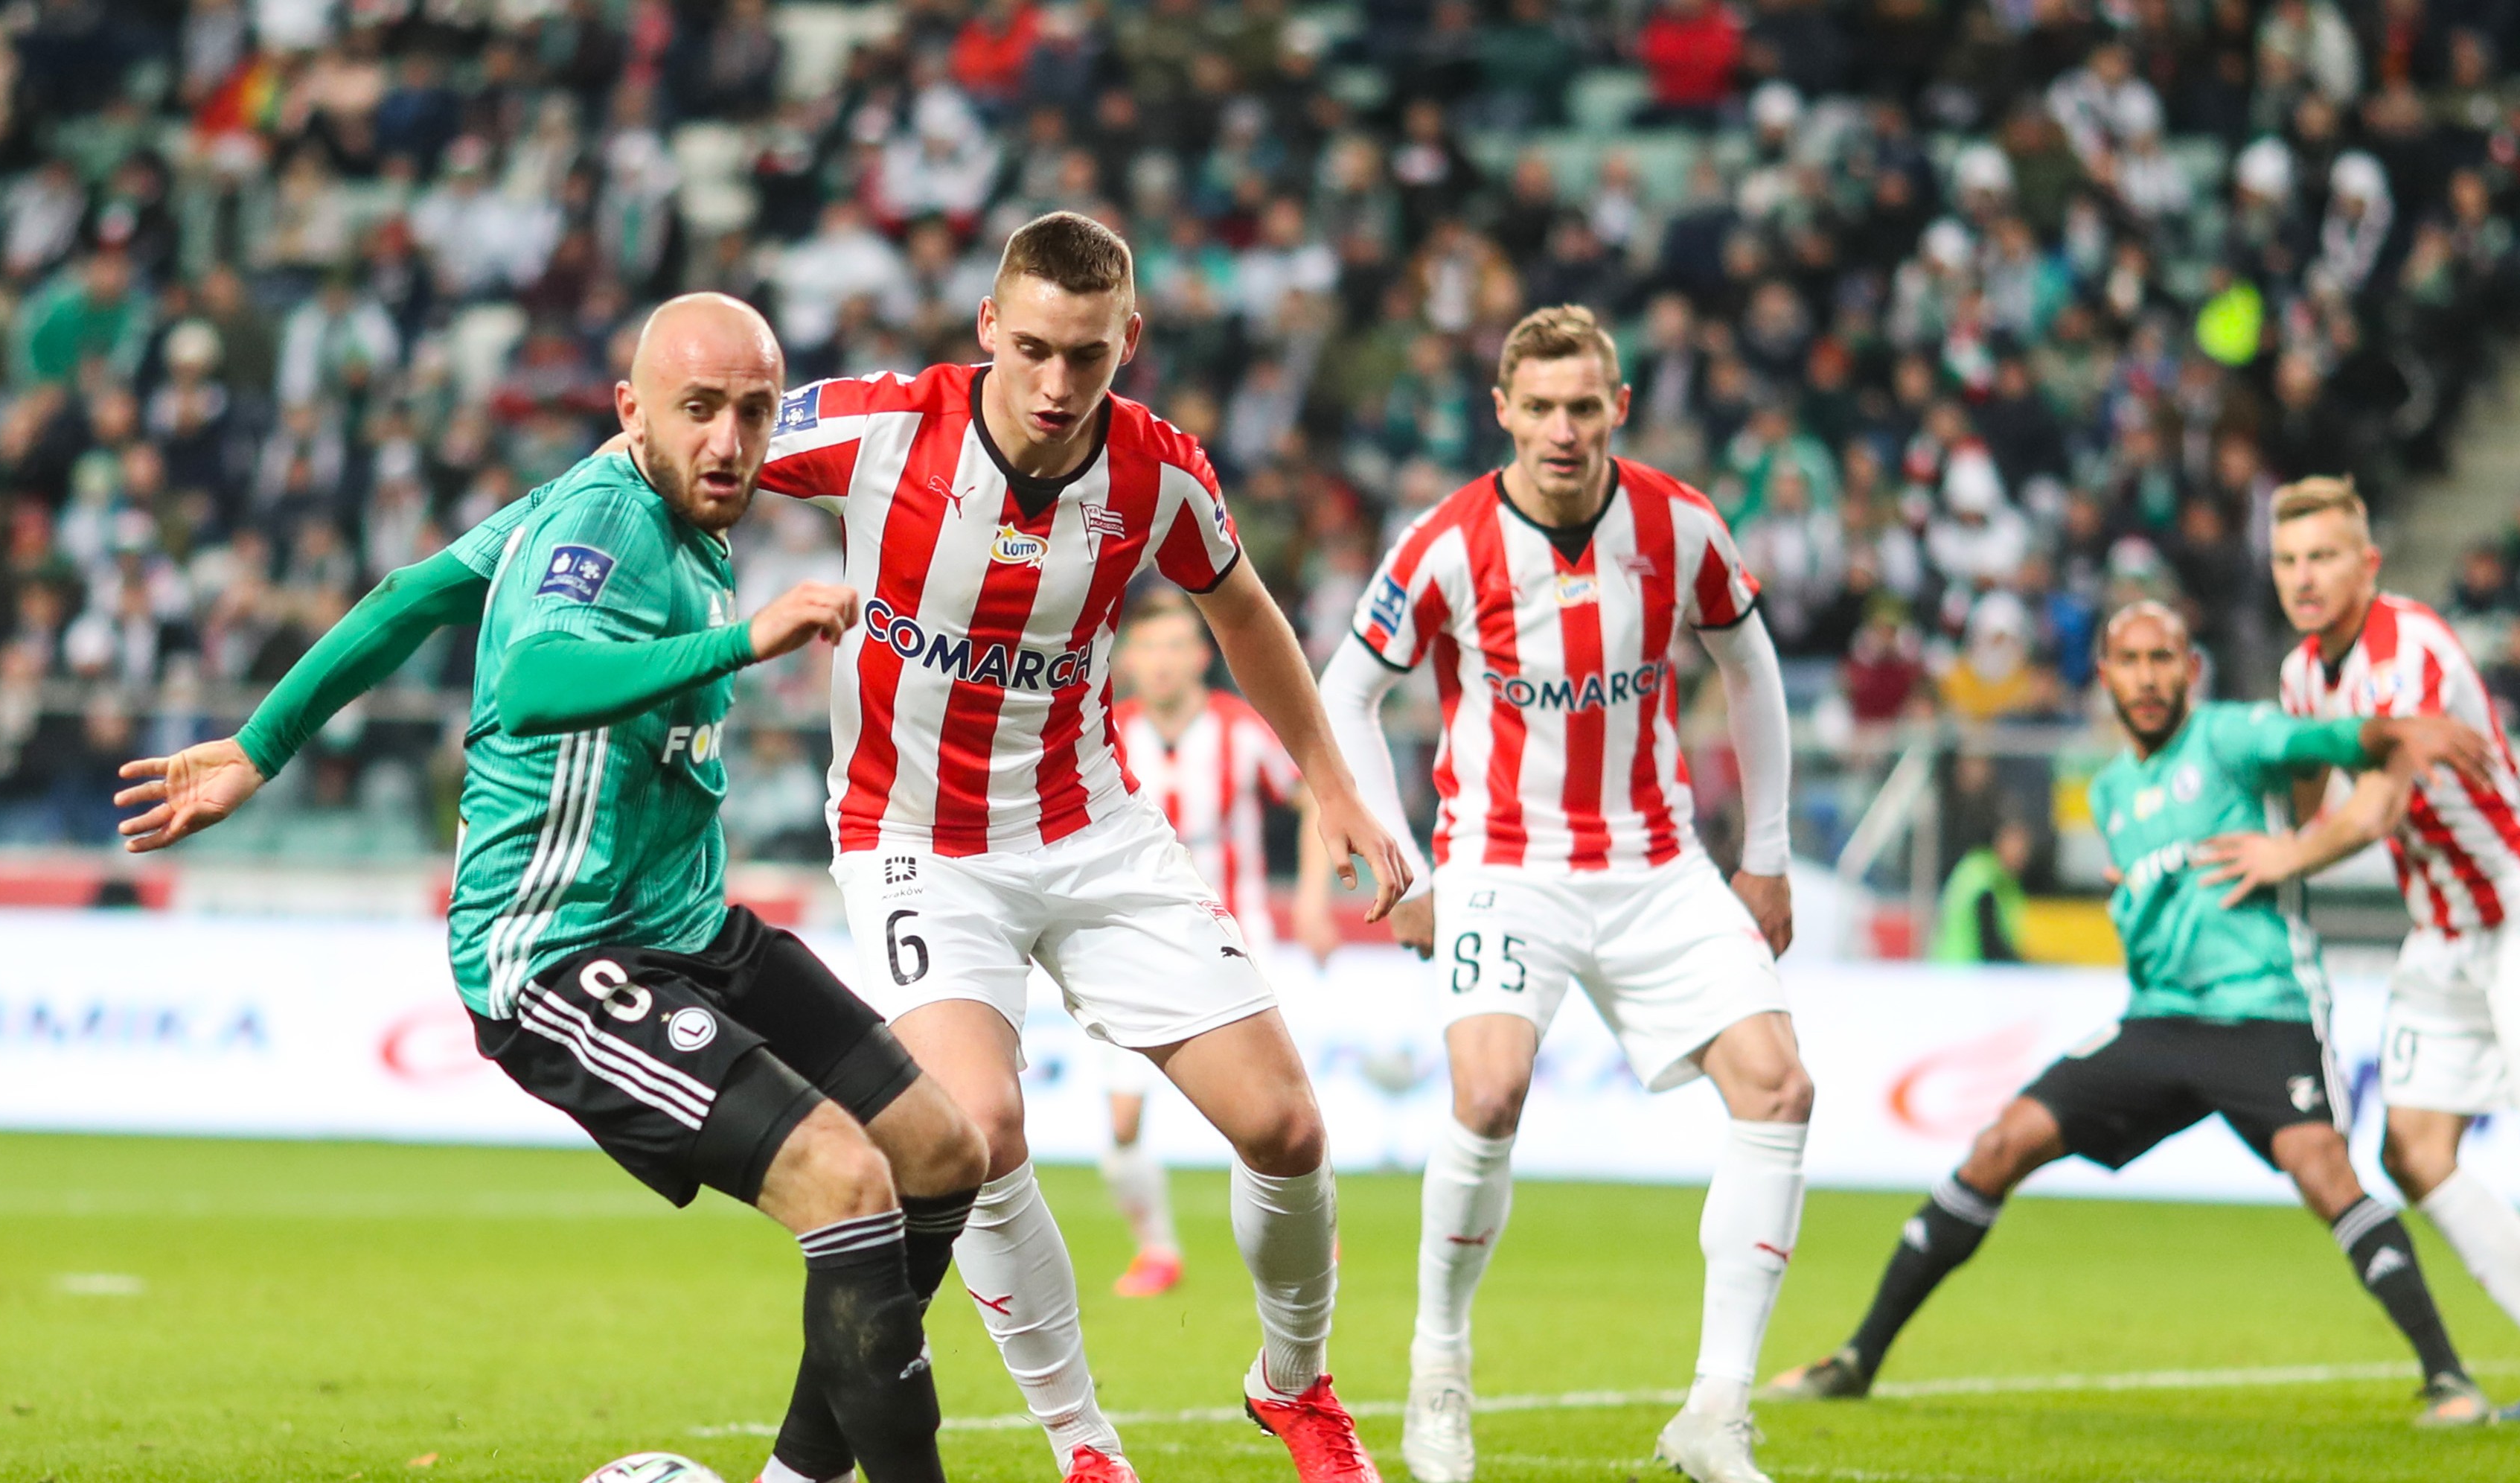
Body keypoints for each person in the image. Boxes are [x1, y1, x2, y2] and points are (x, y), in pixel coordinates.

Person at [114, 295, 991, 1483]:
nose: (729, 442)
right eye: (698, 411)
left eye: (751, 413)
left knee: (938, 1150)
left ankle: (799, 1475)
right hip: (560, 952)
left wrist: (260, 745)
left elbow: (411, 594)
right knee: (841, 1178)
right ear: (633, 409)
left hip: (685, 924)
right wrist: (747, 640)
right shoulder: (602, 518)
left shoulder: (643, 507)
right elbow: (531, 683)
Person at [749, 211, 1410, 1483]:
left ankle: (1293, 1385)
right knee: (975, 1126)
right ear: (988, 326)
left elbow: (1243, 613)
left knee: (1284, 1126)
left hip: (1088, 826)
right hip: (913, 840)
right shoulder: (882, 426)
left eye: (1088, 356)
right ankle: (1083, 1443)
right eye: (1034, 349)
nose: (1057, 384)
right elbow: (679, 451)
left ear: (1129, 340)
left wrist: (1327, 783)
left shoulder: (1158, 472)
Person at [1762, 601, 2502, 1427]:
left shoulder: (2230, 737)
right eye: (2131, 661)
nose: (2148, 678)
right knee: (2001, 1144)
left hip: (2262, 1009)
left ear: (2190, 669)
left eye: (2163, 659)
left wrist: (2402, 731)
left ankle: (2449, 1379)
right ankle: (1857, 1358)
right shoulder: (2112, 791)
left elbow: (2330, 740)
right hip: (2157, 1021)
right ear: (2105, 676)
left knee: (2322, 1168)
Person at [1317, 304, 1809, 1483]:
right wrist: (1397, 861)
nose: (1560, 430)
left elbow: (1750, 669)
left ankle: (1715, 1411)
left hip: (1656, 862)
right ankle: (1438, 1369)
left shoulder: (1678, 523)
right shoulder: (1444, 542)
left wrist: (1766, 852)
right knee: (1487, 1095)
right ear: (1501, 411)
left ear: (1617, 408)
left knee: (1778, 1087)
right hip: (1503, 861)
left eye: (1582, 407)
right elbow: (1344, 694)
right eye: (1537, 408)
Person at [2220, 476, 2520, 1420]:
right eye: (2288, 560)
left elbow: (2376, 807)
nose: (2304, 577)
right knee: (2415, 1150)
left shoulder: (2410, 648)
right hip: (2442, 929)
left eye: (2324, 557)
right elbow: (2309, 792)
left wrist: (2285, 855)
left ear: (2369, 563)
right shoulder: (2301, 675)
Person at [1095, 586, 1334, 1298]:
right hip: (1129, 945)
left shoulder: (1239, 727)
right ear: (1126, 659)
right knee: (1122, 1119)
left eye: (1176, 646)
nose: (1162, 662)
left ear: (1202, 656)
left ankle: (1309, 1229)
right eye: (1149, 647)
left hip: (1236, 943)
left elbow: (1313, 797)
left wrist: (1314, 900)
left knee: (1274, 1110)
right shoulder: (1104, 732)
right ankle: (1157, 1250)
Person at [1929, 818, 2033, 964]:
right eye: (2017, 849)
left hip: (1967, 965)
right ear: (2000, 844)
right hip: (1963, 965)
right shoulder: (1984, 876)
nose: (2021, 855)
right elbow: (1990, 938)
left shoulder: (2006, 881)